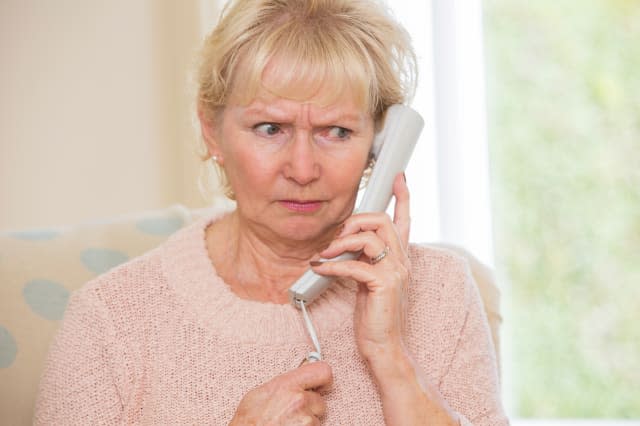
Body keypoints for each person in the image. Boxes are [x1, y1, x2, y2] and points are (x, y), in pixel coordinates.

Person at [35, 0, 508, 424]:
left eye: (337, 132)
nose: (302, 169)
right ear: (213, 131)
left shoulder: (443, 292)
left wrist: (391, 356)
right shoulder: (111, 320)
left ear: (380, 148)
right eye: (269, 128)